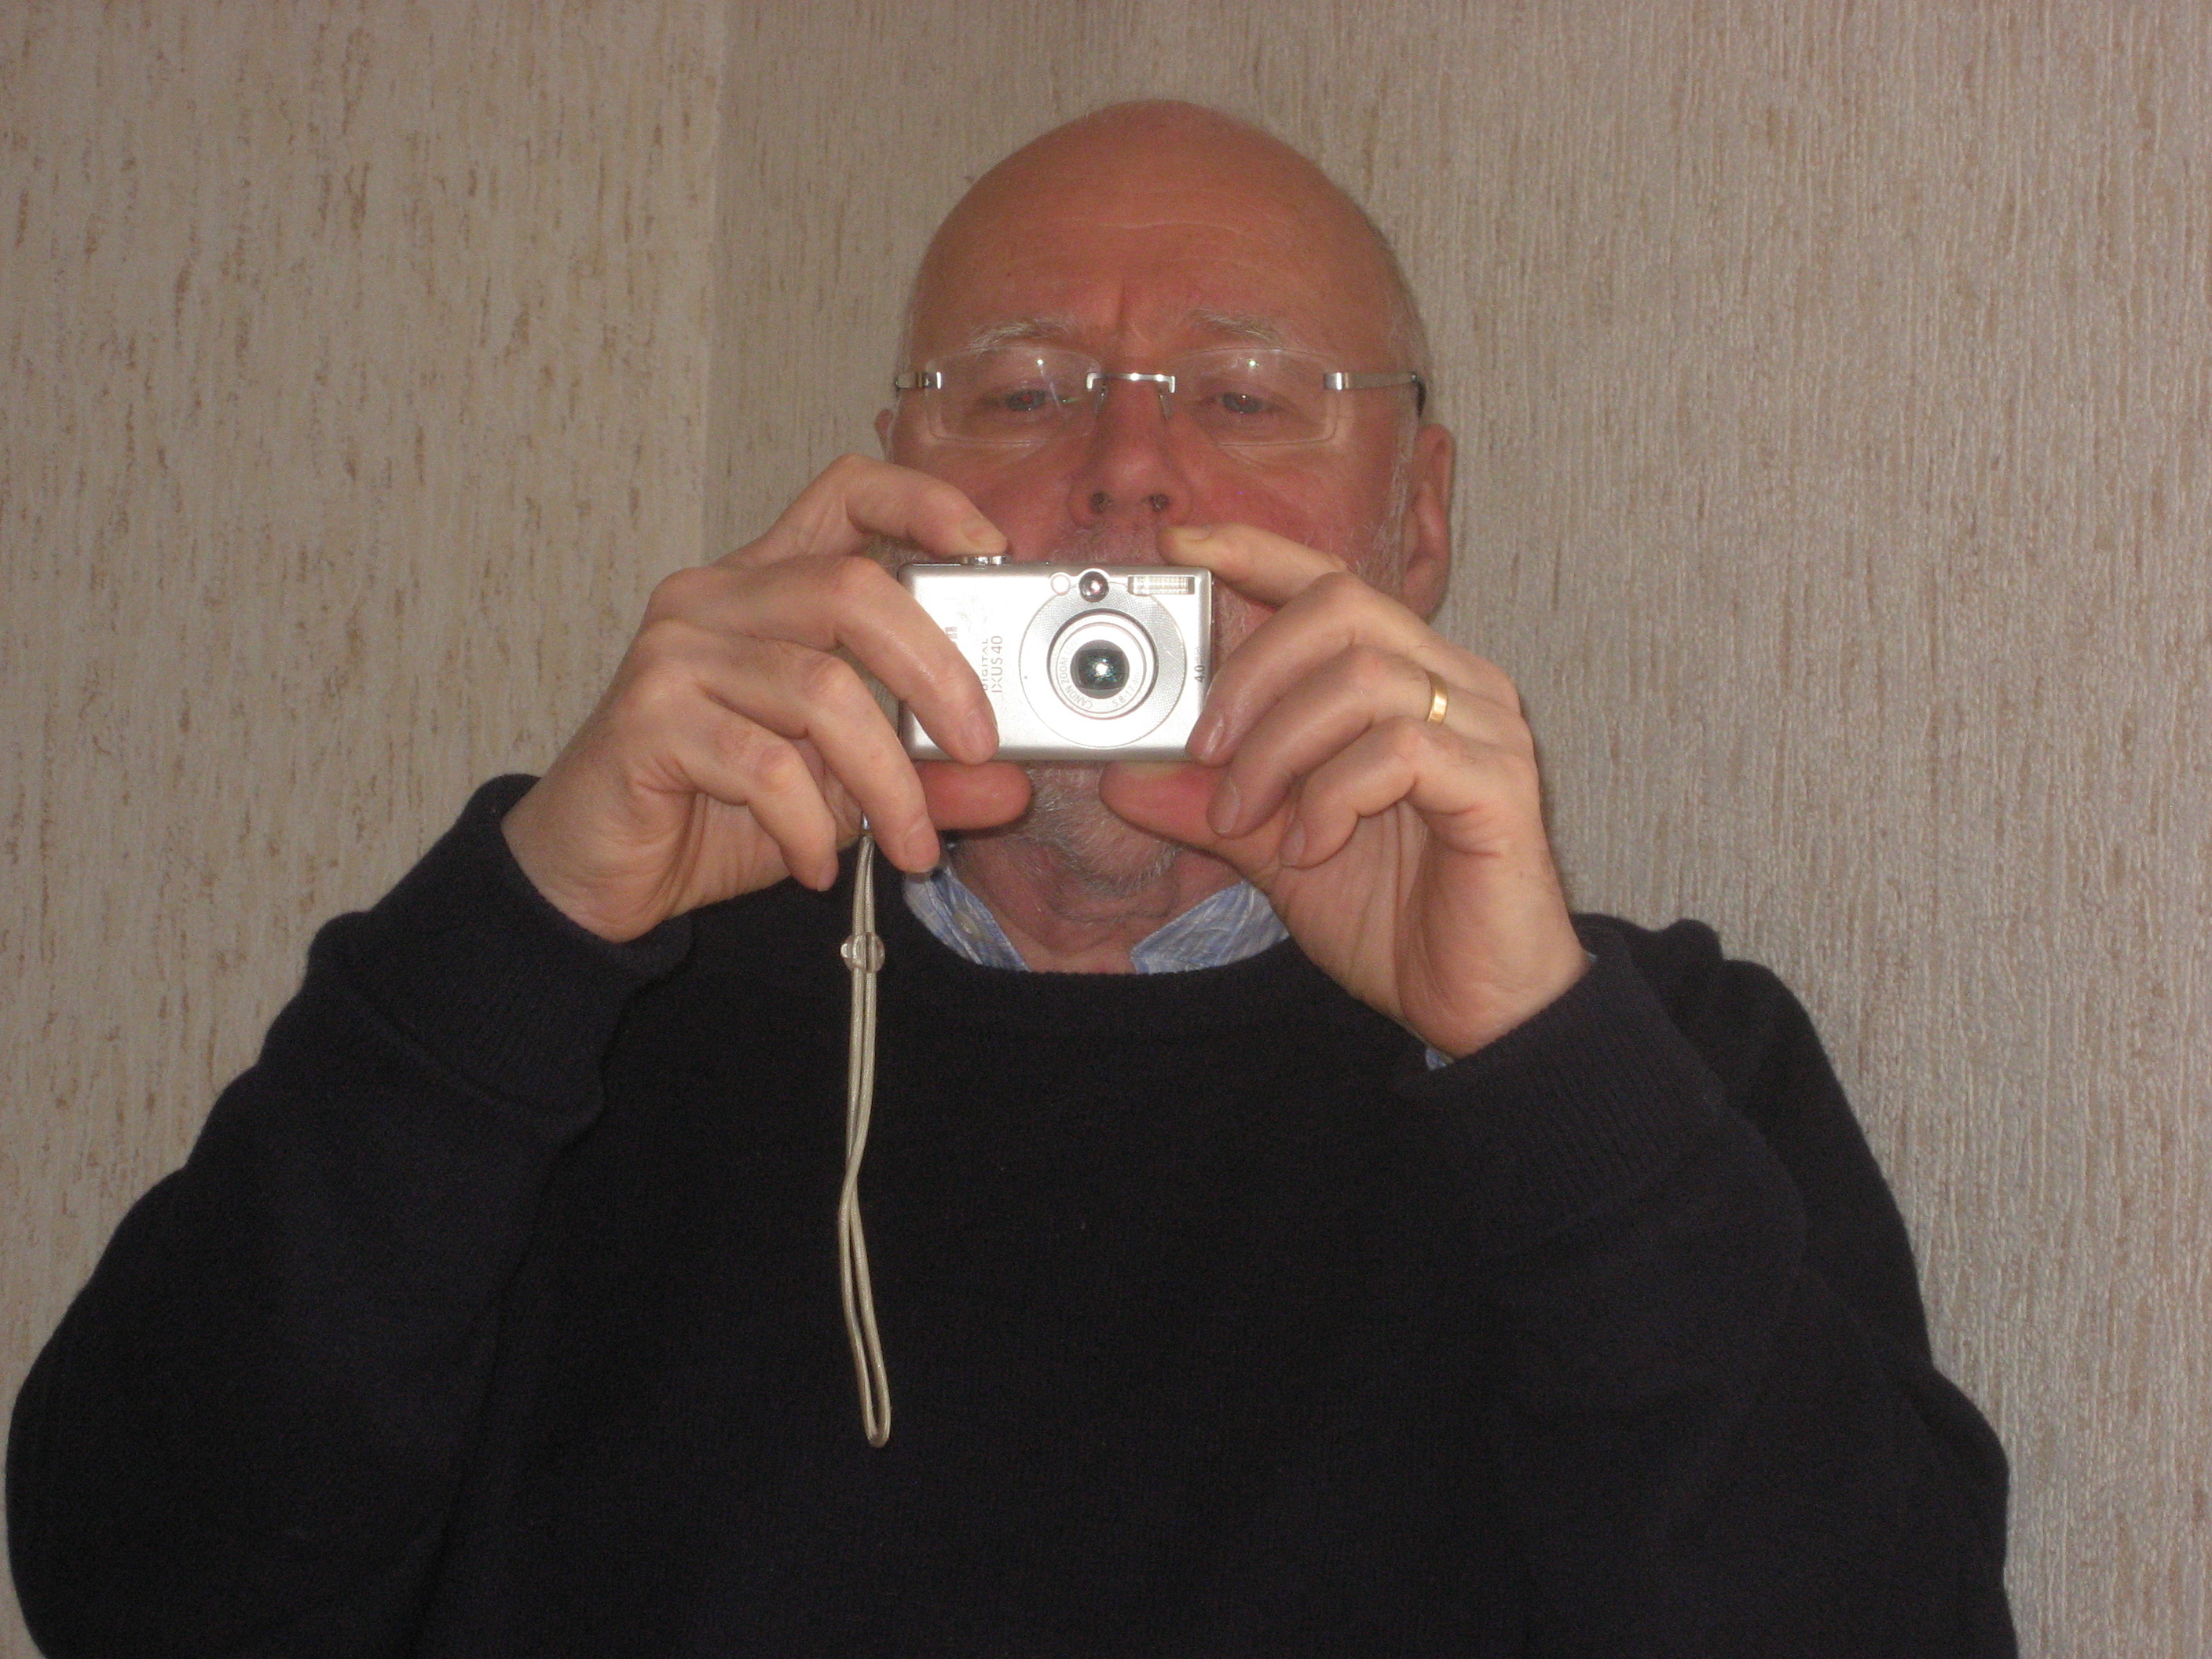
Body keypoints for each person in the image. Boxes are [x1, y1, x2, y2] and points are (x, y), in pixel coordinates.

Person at [9, 101, 2014, 1656]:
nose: (1126, 475)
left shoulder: (1643, 1073)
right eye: (1023, 393)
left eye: (1245, 398)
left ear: (1414, 524)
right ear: (890, 497)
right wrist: (529, 926)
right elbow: (140, 1581)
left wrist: (1536, 1060)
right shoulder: (591, 1003)